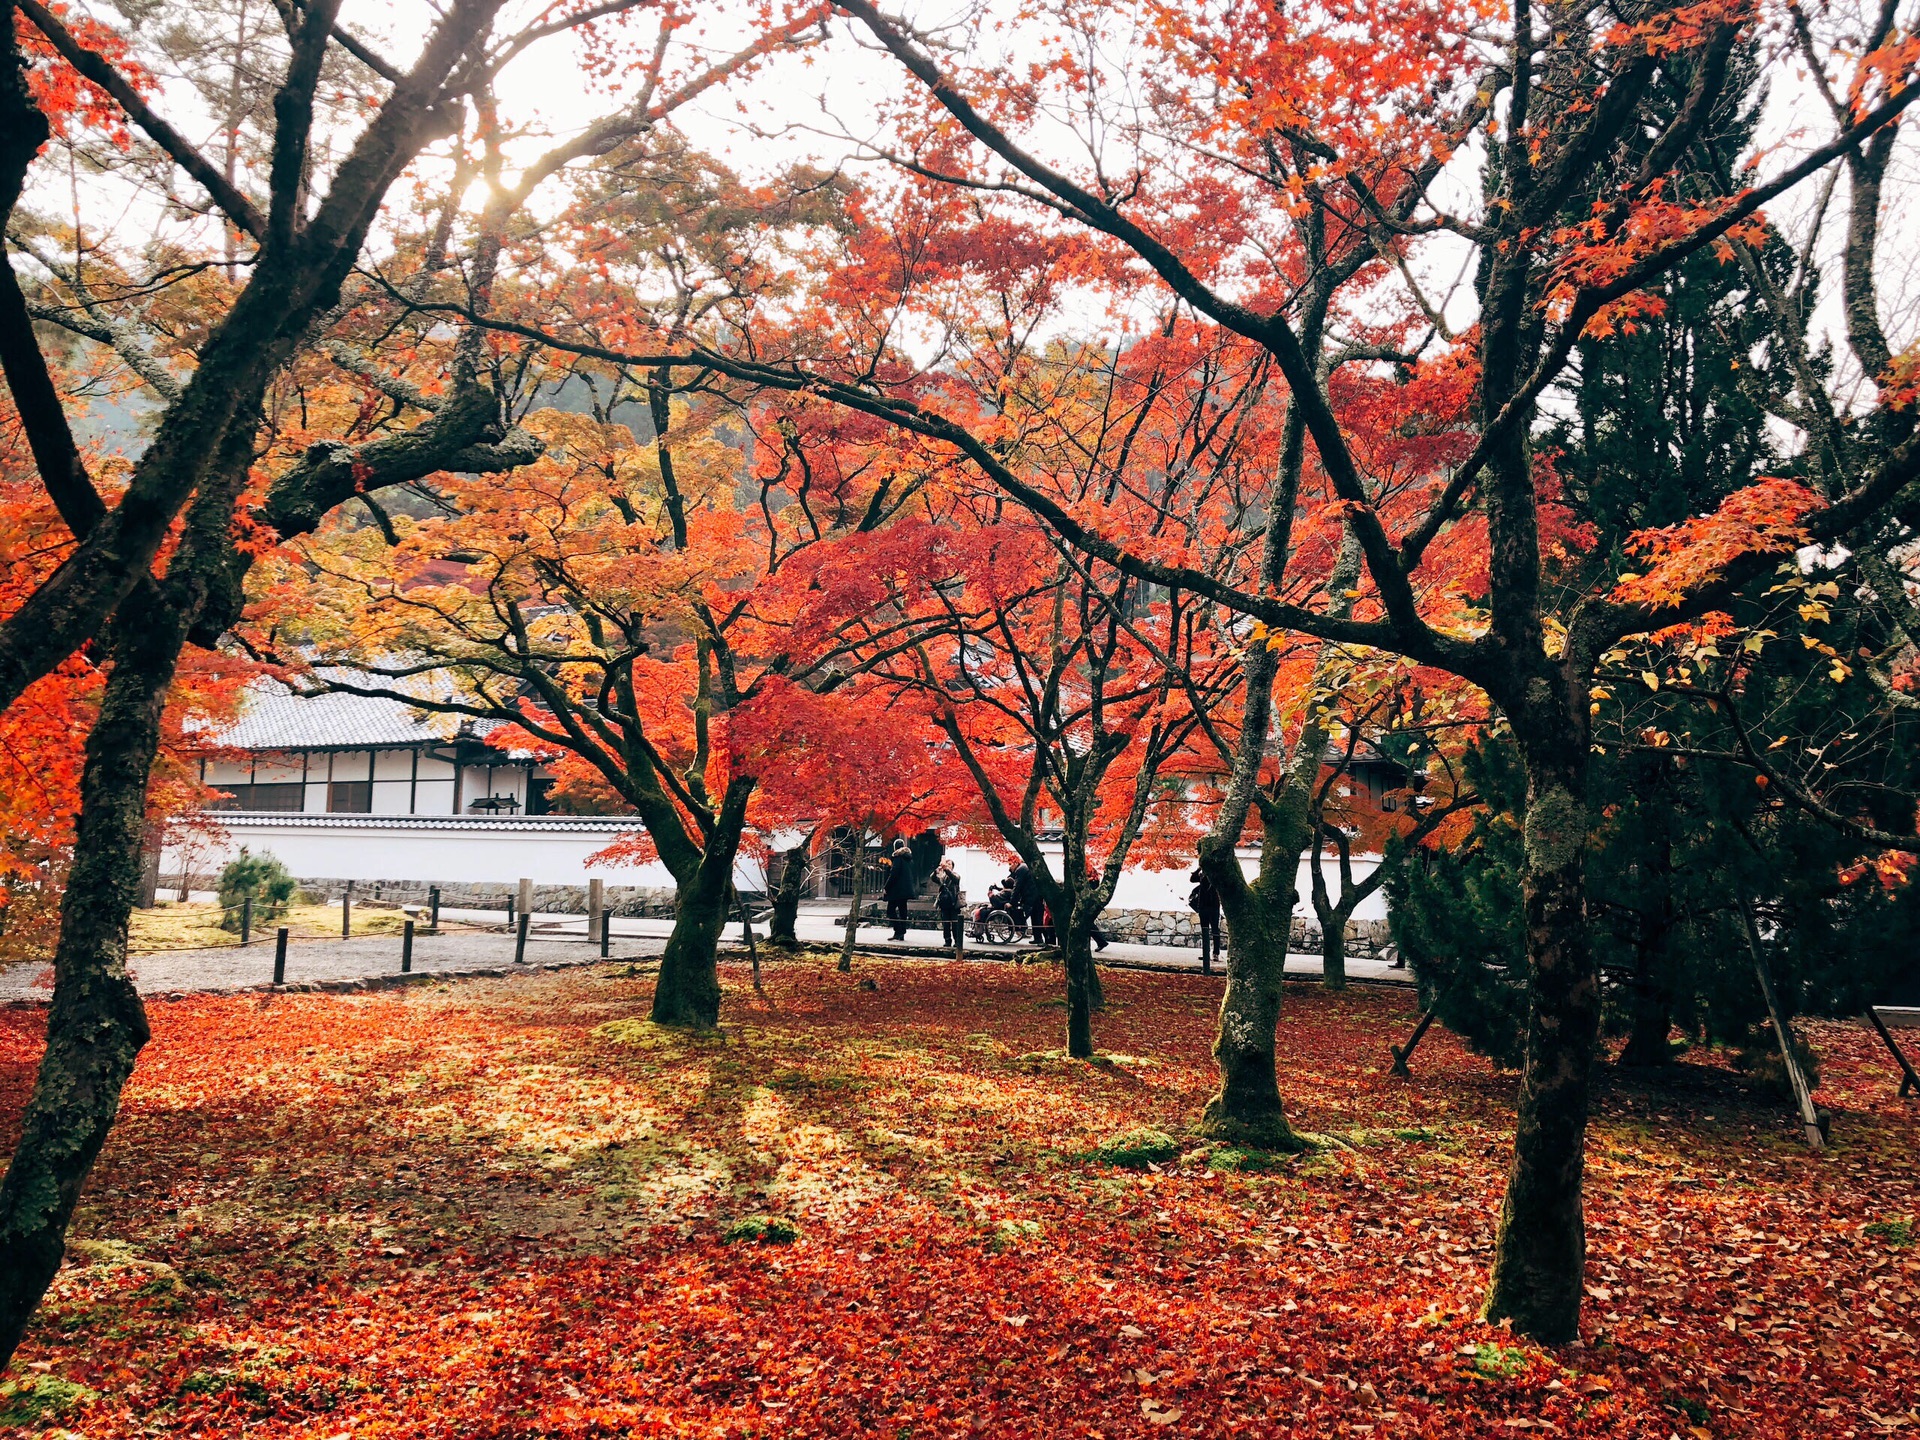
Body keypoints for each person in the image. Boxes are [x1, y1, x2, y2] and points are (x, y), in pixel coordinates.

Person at [882, 836, 916, 941]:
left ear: (895, 847)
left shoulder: (897, 858)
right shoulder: (909, 859)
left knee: (890, 910)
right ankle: (902, 933)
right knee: (903, 910)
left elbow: (894, 874)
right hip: (906, 889)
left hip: (897, 890)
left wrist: (886, 887)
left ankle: (899, 930)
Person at [1189, 866, 1222, 974]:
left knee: (1215, 930)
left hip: (1213, 907)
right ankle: (1206, 953)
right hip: (1203, 907)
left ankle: (1216, 953)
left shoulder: (1216, 877)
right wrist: (1200, 868)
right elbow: (1192, 879)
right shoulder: (1202, 877)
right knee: (1205, 930)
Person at [934, 858, 963, 948]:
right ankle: (947, 940)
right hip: (944, 903)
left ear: (952, 867)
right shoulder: (943, 877)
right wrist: (936, 871)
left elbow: (955, 879)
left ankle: (957, 941)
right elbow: (934, 879)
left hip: (954, 903)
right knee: (945, 924)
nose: (947, 865)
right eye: (946, 864)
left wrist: (946, 869)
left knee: (955, 924)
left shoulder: (956, 875)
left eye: (949, 864)